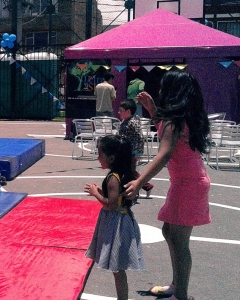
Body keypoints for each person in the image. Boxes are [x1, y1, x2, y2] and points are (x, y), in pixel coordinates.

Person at [125, 70, 211, 300]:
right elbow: (164, 131)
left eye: (164, 87)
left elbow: (164, 153)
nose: (161, 90)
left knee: (179, 241)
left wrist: (139, 181)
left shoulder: (175, 121)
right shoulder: (180, 117)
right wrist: (152, 109)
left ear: (173, 91)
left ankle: (180, 294)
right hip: (187, 181)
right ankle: (177, 286)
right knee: (169, 232)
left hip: (189, 183)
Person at [84, 135, 144, 300]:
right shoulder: (126, 173)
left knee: (117, 268)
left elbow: (111, 204)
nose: (98, 158)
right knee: (118, 268)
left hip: (115, 222)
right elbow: (118, 199)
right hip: (124, 218)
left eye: (100, 154)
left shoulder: (113, 178)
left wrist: (96, 193)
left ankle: (122, 298)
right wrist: (102, 192)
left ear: (111, 158)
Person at [118, 100, 154, 197]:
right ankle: (143, 187)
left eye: (121, 111)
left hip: (132, 152)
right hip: (125, 151)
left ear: (128, 111)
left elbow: (140, 138)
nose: (119, 113)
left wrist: (138, 153)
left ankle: (143, 187)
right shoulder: (125, 121)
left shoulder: (133, 122)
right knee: (129, 171)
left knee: (130, 171)